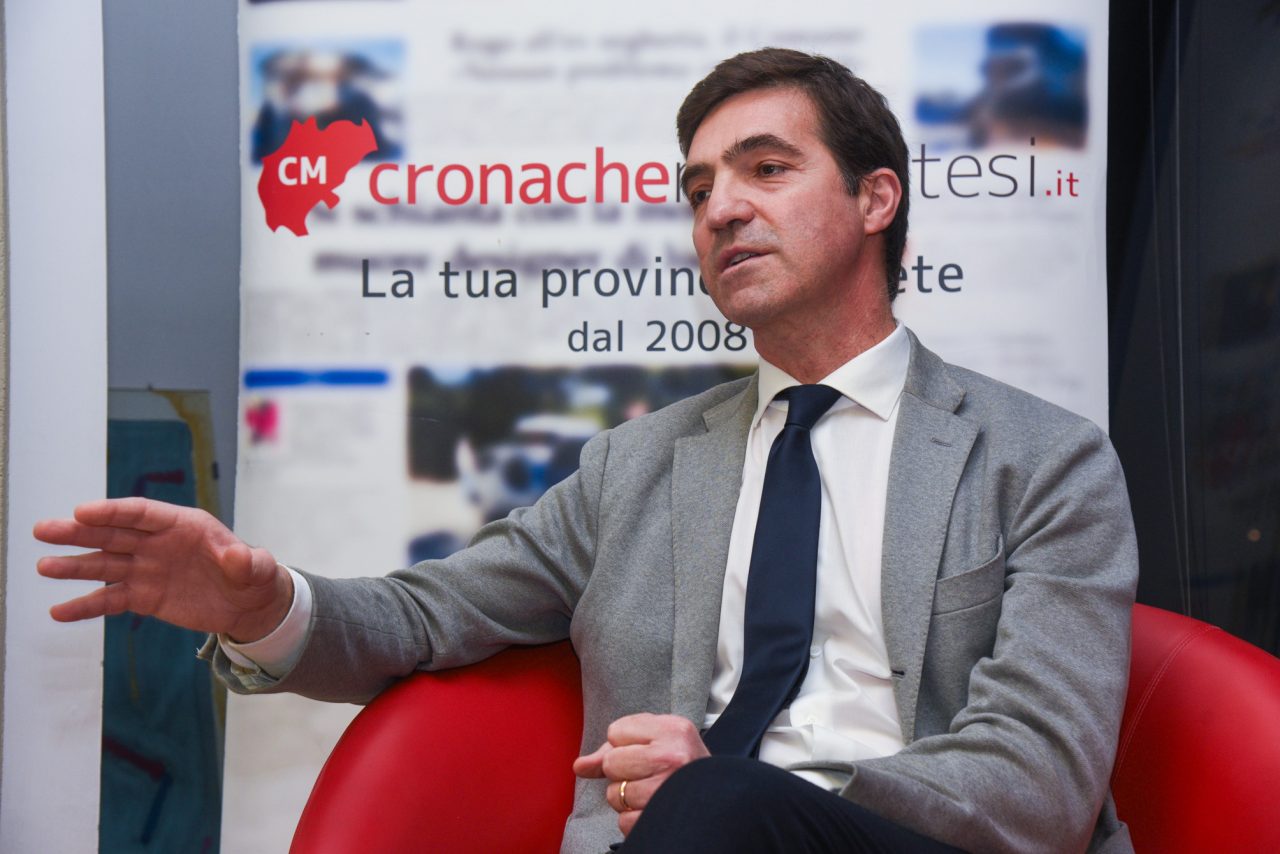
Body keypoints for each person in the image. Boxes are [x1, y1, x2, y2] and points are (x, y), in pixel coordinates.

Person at [34, 48, 1138, 853]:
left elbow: (1036, 777)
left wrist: (744, 791)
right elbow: (427, 616)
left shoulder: (1043, 461)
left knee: (716, 800)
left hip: (907, 844)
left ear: (874, 198)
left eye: (764, 170)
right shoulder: (637, 467)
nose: (720, 209)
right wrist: (263, 603)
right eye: (699, 188)